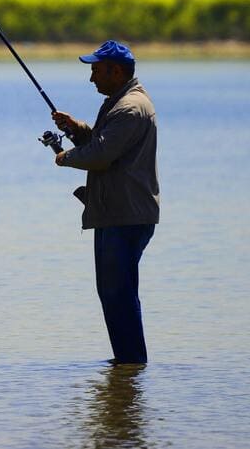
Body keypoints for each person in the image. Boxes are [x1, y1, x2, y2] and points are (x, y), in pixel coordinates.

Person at [52, 40, 159, 365]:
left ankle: (130, 367)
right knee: (115, 294)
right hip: (119, 213)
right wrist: (77, 130)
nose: (91, 78)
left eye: (96, 71)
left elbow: (100, 156)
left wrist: (65, 157)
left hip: (124, 216)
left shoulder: (128, 108)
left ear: (116, 71)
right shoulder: (121, 102)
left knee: (118, 294)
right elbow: (103, 144)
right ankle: (127, 366)